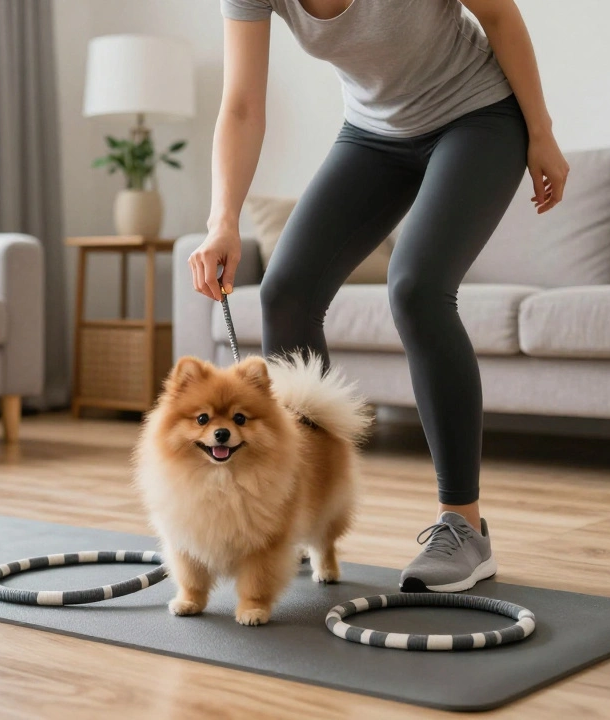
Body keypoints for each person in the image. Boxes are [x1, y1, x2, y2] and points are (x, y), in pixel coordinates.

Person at [190, 0, 569, 592]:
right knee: (285, 292)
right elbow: (241, 106)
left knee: (417, 287)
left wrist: (540, 133)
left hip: (477, 115)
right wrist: (223, 220)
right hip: (375, 134)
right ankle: (298, 503)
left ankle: (464, 528)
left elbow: (499, 15)